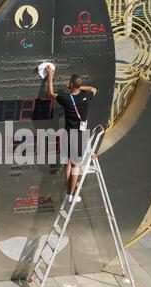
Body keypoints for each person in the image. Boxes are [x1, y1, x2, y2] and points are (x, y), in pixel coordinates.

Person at [45, 66, 98, 204]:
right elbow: (94, 89)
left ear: (71, 85)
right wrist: (80, 87)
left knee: (68, 163)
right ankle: (70, 194)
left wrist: (50, 75)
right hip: (80, 135)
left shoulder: (66, 98)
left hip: (68, 133)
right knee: (76, 165)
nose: (67, 84)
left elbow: (51, 93)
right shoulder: (86, 95)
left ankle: (70, 193)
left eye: (69, 83)